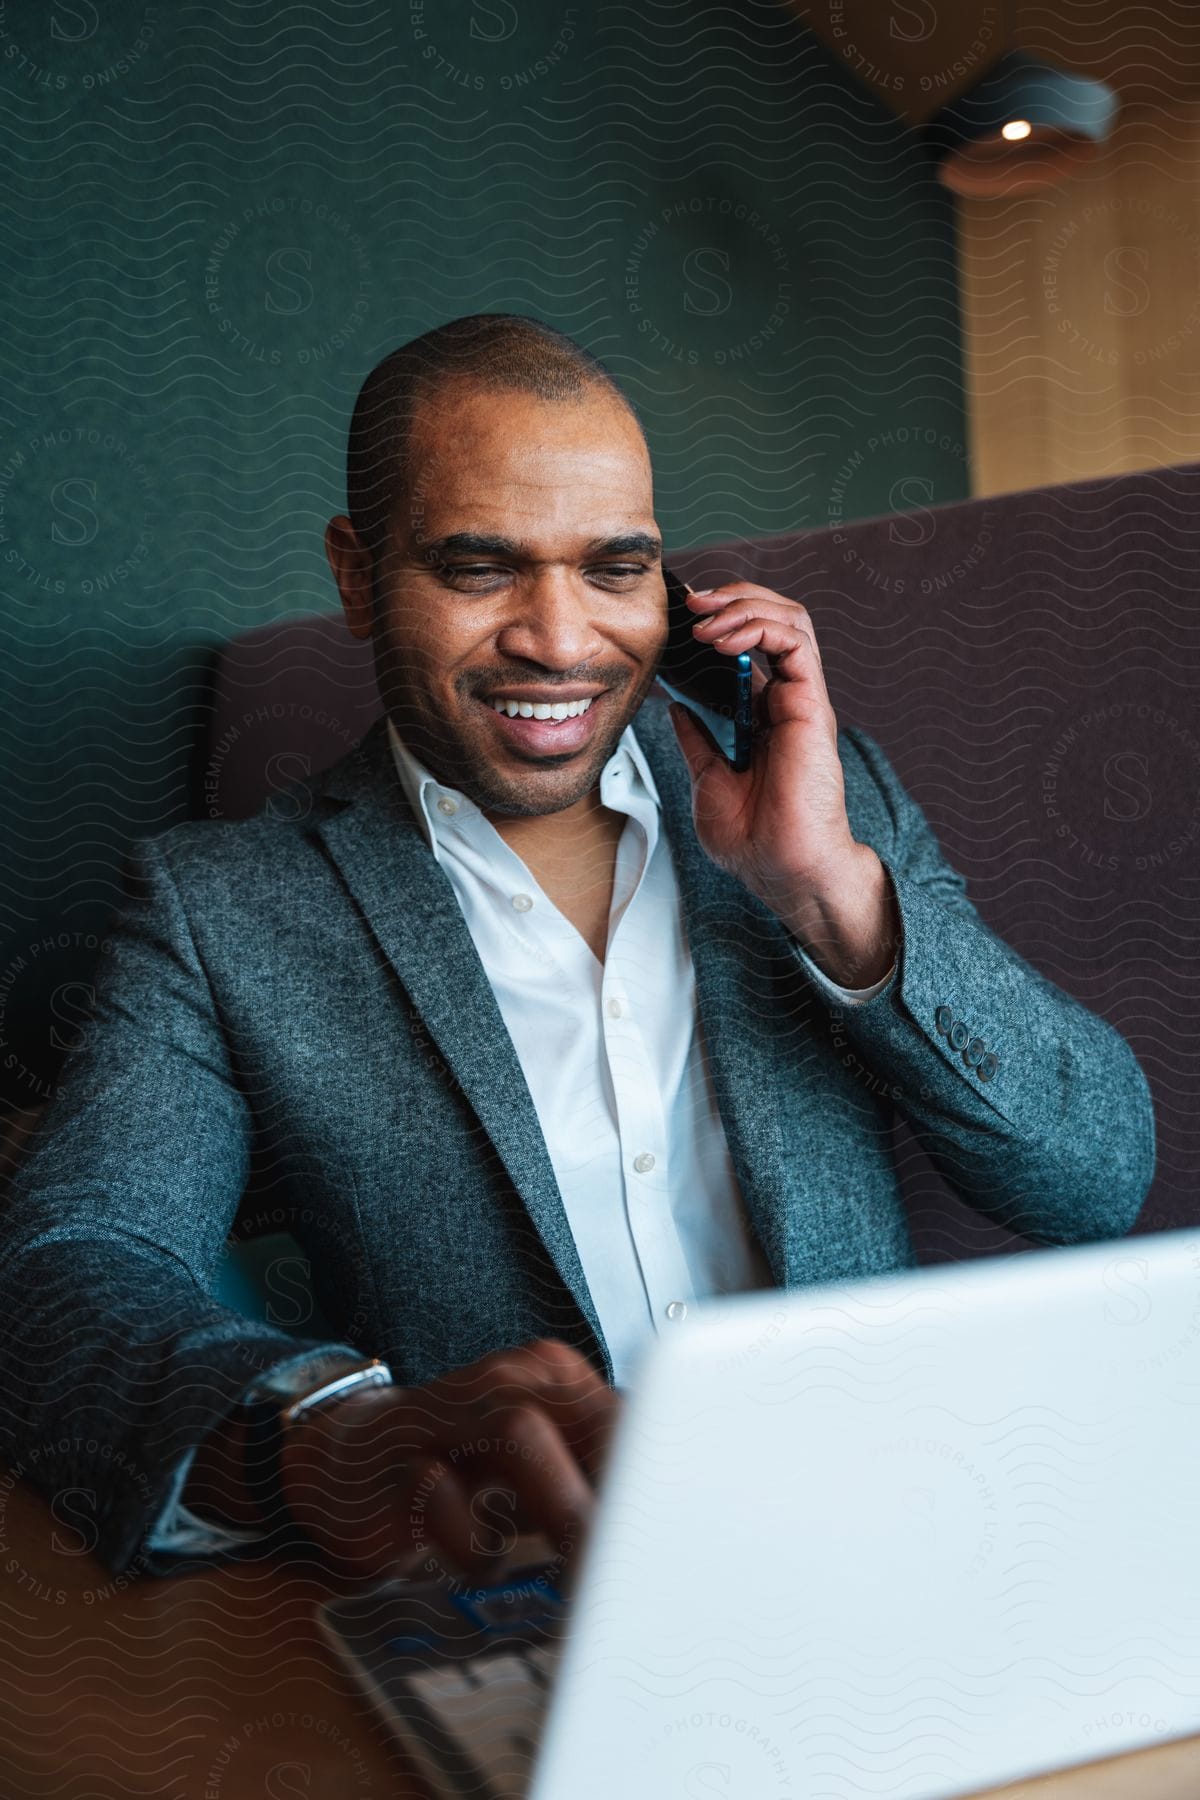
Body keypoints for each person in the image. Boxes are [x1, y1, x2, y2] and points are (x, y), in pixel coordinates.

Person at [0, 314, 1156, 1586]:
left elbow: (1096, 1176)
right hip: (544, 1600)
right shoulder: (219, 912)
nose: (560, 640)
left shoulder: (823, 800)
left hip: (903, 1536)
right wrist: (319, 1442)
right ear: (356, 572)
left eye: (615, 569)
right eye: (480, 568)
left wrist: (831, 894)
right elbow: (68, 1273)